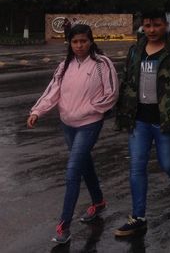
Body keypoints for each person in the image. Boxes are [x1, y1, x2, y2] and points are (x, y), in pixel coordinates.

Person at [27, 24, 118, 244]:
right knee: (84, 164)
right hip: (68, 125)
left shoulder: (101, 63)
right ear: (70, 43)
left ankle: (64, 226)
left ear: (91, 41)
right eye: (75, 41)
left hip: (89, 124)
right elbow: (52, 91)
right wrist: (37, 111)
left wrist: (91, 108)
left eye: (84, 41)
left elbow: (112, 92)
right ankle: (98, 202)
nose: (79, 45)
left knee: (72, 171)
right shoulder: (64, 65)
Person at [114, 10, 170, 237]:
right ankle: (138, 217)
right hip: (138, 120)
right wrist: (122, 109)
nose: (151, 30)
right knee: (137, 167)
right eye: (147, 25)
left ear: (166, 25)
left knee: (168, 163)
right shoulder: (135, 50)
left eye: (157, 25)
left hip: (165, 121)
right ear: (142, 26)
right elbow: (127, 80)